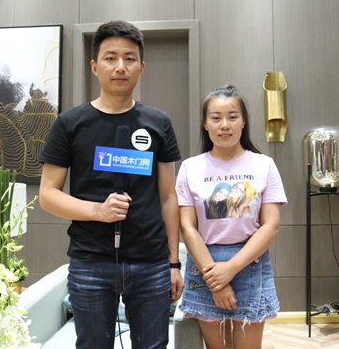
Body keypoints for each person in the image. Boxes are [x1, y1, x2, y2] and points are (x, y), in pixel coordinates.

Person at [39, 20, 184, 349]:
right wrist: (97, 211)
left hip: (150, 262)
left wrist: (173, 262)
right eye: (110, 58)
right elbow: (47, 195)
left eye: (130, 58)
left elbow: (168, 197)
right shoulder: (70, 124)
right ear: (94, 66)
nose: (120, 66)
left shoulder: (158, 123)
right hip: (90, 260)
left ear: (142, 67)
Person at [175, 85, 287, 349]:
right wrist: (216, 279)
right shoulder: (190, 168)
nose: (224, 125)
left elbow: (270, 225)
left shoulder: (264, 165)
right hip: (205, 265)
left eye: (233, 117)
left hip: (249, 262)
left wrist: (231, 268)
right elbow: (187, 227)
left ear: (244, 121)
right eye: (216, 118)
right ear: (205, 124)